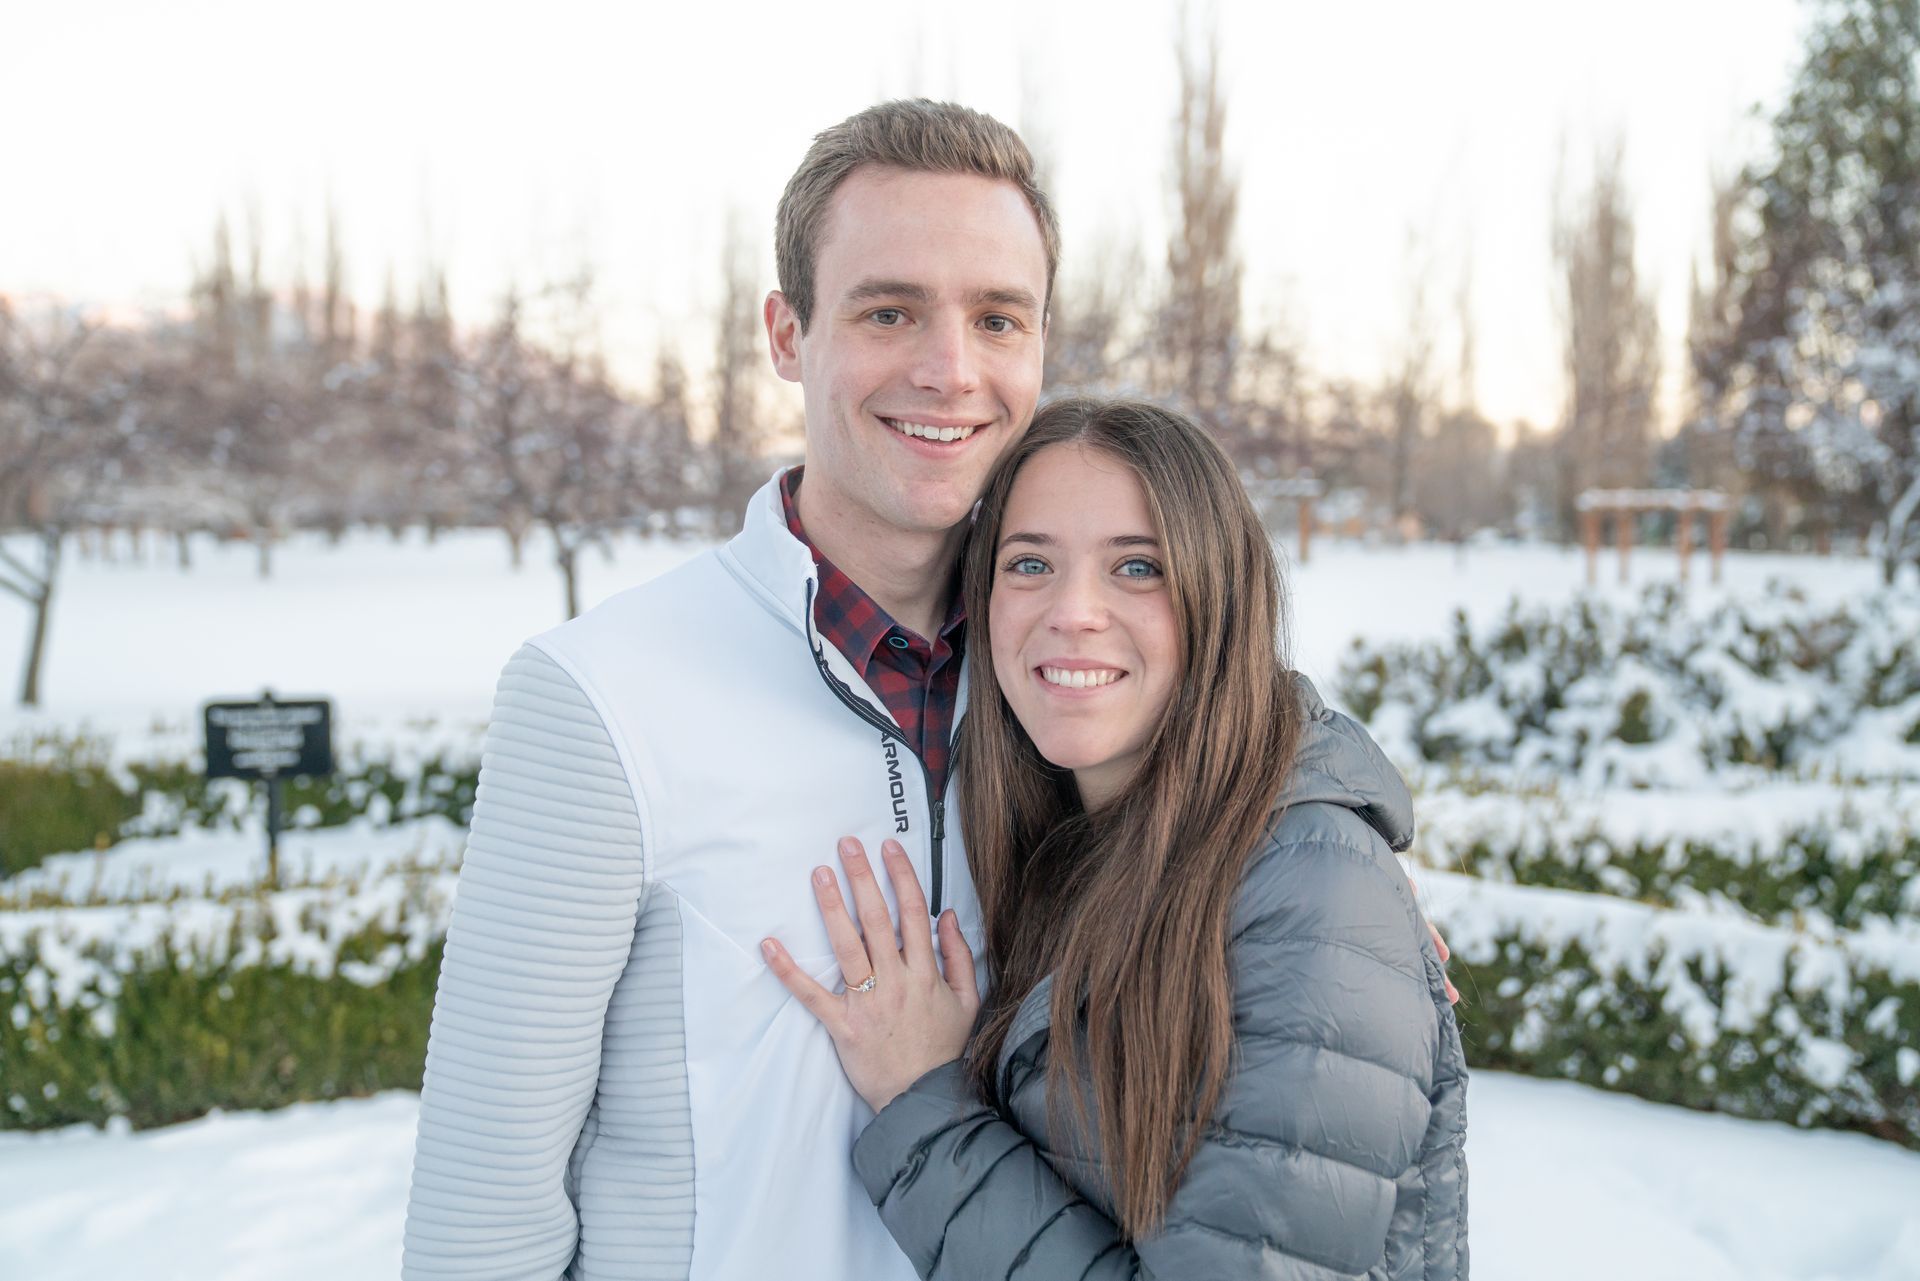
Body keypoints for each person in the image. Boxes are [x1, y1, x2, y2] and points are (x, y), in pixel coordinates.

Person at [400, 99, 1054, 1279]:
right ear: (788, 333)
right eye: (889, 310)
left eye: (998, 318)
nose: (951, 369)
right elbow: (478, 1223)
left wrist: (1314, 862)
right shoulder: (598, 700)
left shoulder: (1070, 688)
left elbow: (1247, 745)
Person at [763, 397, 1469, 1277]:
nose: (1075, 612)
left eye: (1137, 566)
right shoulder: (1070, 844)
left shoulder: (1312, 898)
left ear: (1220, 596)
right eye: (1030, 563)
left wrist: (924, 1106)